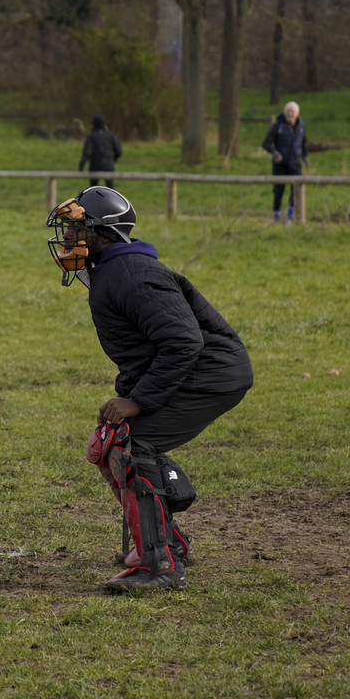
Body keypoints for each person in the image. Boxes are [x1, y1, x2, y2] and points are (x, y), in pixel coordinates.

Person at [46, 188, 253, 592]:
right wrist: (125, 398)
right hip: (193, 370)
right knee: (115, 439)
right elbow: (145, 350)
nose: (67, 239)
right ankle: (167, 543)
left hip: (210, 373)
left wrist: (138, 401)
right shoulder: (113, 270)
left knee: (131, 445)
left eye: (76, 229)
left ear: (102, 233)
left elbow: (183, 342)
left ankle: (160, 565)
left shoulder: (133, 274)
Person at [261, 100, 307, 221]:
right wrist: (275, 153)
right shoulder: (277, 126)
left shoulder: (302, 126)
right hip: (280, 164)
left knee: (296, 190)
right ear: (284, 112)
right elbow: (265, 144)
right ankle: (276, 214)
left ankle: (290, 213)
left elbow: (303, 143)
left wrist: (305, 157)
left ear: (297, 113)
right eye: (287, 111)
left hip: (295, 163)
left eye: (292, 111)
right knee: (278, 190)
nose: (289, 113)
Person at [79, 115, 123, 187]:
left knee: (93, 189)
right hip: (109, 166)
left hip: (95, 166)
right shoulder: (110, 136)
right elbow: (118, 151)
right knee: (110, 189)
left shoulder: (91, 136)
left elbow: (87, 153)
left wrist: (81, 166)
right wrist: (113, 160)